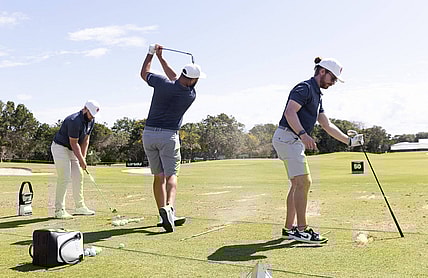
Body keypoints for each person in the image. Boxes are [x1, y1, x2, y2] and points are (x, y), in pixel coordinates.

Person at [272, 57, 364, 243]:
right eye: (333, 78)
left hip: (290, 139)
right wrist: (303, 134)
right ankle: (302, 230)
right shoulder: (304, 88)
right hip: (289, 137)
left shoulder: (317, 95)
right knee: (304, 182)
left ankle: (289, 229)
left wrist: (348, 141)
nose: (333, 83)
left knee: (298, 184)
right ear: (322, 71)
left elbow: (326, 124)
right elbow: (289, 113)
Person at [140, 43, 204, 232]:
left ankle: (162, 214)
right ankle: (169, 207)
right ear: (194, 80)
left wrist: (151, 54)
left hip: (149, 135)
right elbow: (177, 79)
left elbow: (145, 73)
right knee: (171, 175)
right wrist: (161, 57)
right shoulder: (190, 94)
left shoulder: (162, 84)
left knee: (158, 177)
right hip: (169, 137)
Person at [51, 100, 100, 219]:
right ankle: (59, 210)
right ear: (85, 109)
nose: (91, 117)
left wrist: (83, 158)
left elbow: (86, 140)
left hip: (73, 149)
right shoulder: (74, 120)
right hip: (60, 147)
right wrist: (82, 161)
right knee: (65, 177)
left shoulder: (91, 121)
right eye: (90, 114)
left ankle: (80, 207)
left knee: (78, 175)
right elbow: (74, 143)